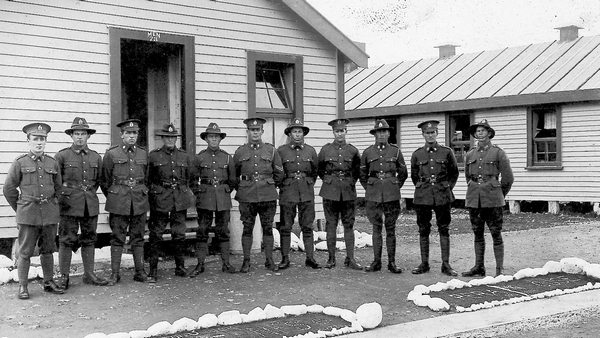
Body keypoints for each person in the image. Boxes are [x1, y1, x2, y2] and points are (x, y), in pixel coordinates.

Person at [4, 123, 64, 299]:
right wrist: (21, 207)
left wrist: (53, 206)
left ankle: (48, 282)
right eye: (35, 139)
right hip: (28, 214)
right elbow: (9, 189)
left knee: (48, 249)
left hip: (49, 213)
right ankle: (23, 286)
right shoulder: (20, 162)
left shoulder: (52, 163)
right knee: (25, 251)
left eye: (42, 139)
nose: (39, 143)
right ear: (28, 140)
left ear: (46, 141)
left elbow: (59, 189)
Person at [55, 117, 108, 289]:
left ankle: (89, 274)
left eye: (83, 134)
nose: (79, 137)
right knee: (66, 239)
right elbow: (57, 182)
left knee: (89, 238)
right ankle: (64, 276)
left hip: (89, 204)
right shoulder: (62, 156)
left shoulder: (95, 157)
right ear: (71, 135)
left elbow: (99, 180)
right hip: (68, 204)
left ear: (88, 136)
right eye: (76, 133)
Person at [101, 119, 151, 285]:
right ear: (121, 135)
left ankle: (140, 272)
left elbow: (147, 178)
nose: (131, 136)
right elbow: (105, 181)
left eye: (134, 133)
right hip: (118, 200)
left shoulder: (143, 153)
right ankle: (115, 274)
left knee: (138, 237)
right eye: (128, 133)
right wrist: (116, 195)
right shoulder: (112, 154)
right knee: (117, 237)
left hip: (138, 200)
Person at [462, 119, 514, 277]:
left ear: (489, 133)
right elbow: (468, 177)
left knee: (495, 233)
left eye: (483, 131)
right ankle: (479, 266)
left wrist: (499, 194)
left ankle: (499, 269)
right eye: (478, 131)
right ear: (475, 135)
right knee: (477, 233)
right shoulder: (470, 154)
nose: (480, 134)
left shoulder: (498, 153)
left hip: (493, 199)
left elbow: (508, 178)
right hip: (474, 199)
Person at [233, 117, 284, 273]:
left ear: (262, 131)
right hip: (247, 195)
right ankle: (246, 261)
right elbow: (234, 174)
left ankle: (269, 261)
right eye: (252, 130)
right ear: (247, 132)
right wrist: (242, 187)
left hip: (267, 195)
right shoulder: (240, 151)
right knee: (247, 228)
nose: (255, 132)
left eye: (257, 130)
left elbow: (279, 173)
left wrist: (268, 184)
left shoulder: (271, 150)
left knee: (267, 228)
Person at [410, 120, 459, 276]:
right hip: (423, 195)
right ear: (423, 134)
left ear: (437, 133)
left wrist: (445, 187)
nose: (430, 135)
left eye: (433, 132)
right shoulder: (417, 154)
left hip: (442, 194)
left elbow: (454, 173)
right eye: (427, 133)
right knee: (423, 229)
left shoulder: (446, 152)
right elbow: (414, 176)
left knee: (444, 228)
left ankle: (446, 264)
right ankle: (424, 263)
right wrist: (424, 186)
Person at [146, 123, 195, 282]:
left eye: (173, 137)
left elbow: (189, 179)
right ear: (162, 138)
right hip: (160, 198)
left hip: (179, 199)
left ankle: (180, 267)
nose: (170, 140)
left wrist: (185, 193)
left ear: (176, 139)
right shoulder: (153, 156)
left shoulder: (184, 156)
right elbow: (148, 179)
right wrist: (156, 193)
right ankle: (153, 271)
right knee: (156, 235)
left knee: (179, 234)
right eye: (167, 137)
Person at [188, 123, 238, 276]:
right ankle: (200, 264)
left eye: (216, 136)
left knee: (223, 230)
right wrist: (200, 192)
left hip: (222, 197)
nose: (214, 139)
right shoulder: (199, 157)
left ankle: (226, 263)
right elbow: (192, 180)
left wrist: (226, 190)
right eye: (211, 136)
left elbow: (233, 180)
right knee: (202, 230)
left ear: (220, 139)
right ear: (206, 139)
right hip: (205, 197)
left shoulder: (227, 157)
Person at [360, 119, 408, 273]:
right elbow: (362, 174)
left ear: (388, 133)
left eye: (384, 131)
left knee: (391, 228)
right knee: (376, 228)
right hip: (373, 195)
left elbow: (403, 173)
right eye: (378, 132)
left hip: (391, 194)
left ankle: (392, 263)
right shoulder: (368, 152)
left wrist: (393, 185)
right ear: (374, 134)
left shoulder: (396, 151)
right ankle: (376, 261)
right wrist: (370, 187)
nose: (381, 134)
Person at [317, 118, 362, 270]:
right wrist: (331, 180)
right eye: (337, 131)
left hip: (348, 191)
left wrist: (349, 181)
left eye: (342, 131)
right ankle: (331, 258)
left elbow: (357, 171)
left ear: (346, 131)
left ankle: (350, 258)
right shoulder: (325, 150)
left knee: (349, 225)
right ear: (333, 132)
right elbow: (320, 169)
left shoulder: (353, 150)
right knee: (331, 225)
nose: (340, 134)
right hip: (330, 191)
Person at [276, 118, 320, 270]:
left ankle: (310, 258)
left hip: (306, 192)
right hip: (288, 192)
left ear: (303, 133)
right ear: (289, 133)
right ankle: (285, 258)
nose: (297, 134)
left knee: (307, 226)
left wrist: (306, 183)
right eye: (294, 131)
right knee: (286, 226)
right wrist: (285, 185)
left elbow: (315, 172)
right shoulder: (281, 151)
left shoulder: (311, 151)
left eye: (300, 131)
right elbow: (278, 172)